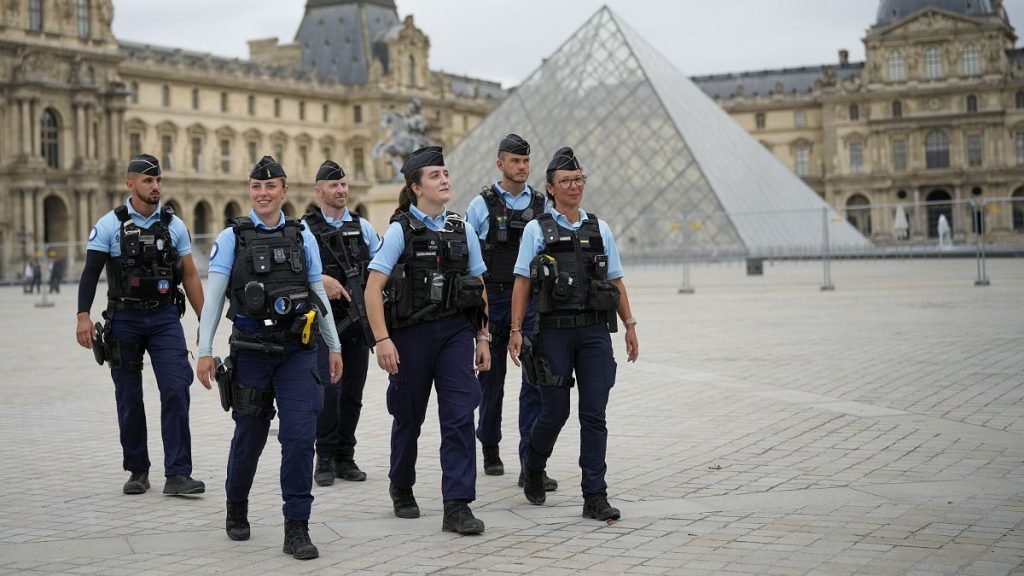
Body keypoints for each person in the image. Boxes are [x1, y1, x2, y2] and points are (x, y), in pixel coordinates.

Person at [195, 156, 343, 561]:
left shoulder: (301, 236)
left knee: (299, 436)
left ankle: (296, 527)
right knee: (250, 437)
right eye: (256, 187)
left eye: (271, 187)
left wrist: (335, 346)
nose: (263, 194)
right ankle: (236, 506)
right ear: (250, 190)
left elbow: (315, 293)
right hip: (251, 353)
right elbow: (214, 299)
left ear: (284, 191)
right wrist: (205, 350)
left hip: (297, 352)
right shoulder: (233, 239)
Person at [364, 145, 491, 535]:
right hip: (410, 336)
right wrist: (383, 340)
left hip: (455, 332)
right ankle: (401, 485)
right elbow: (372, 290)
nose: (445, 180)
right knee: (409, 416)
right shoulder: (400, 230)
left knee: (458, 417)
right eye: (435, 176)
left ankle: (457, 505)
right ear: (416, 187)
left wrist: (483, 337)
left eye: (445, 173)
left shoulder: (463, 228)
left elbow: (479, 285)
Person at [507, 147, 639, 521]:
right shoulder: (536, 230)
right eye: (566, 181)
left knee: (594, 414)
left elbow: (615, 280)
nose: (574, 186)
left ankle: (595, 495)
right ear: (550, 189)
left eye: (579, 179)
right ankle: (533, 466)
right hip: (553, 334)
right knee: (554, 413)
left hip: (595, 333)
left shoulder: (600, 228)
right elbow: (521, 283)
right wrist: (516, 330)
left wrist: (630, 326)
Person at [74, 153, 206, 497]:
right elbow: (91, 273)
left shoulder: (174, 225)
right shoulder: (109, 225)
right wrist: (83, 315)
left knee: (176, 388)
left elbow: (190, 274)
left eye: (158, 181)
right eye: (148, 181)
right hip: (124, 320)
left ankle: (178, 474)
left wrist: (204, 322)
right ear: (130, 184)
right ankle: (137, 470)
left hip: (164, 318)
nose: (155, 187)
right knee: (128, 396)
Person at [464, 134, 557, 492]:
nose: (521, 167)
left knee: (534, 382)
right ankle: (489, 443)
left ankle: (529, 462)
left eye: (525, 161)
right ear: (500, 164)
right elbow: (469, 258)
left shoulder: (541, 205)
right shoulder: (479, 205)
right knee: (492, 383)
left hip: (531, 303)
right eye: (514, 161)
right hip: (494, 299)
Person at [302, 160, 380, 486]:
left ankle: (345, 456)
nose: (341, 190)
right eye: (334, 186)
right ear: (319, 191)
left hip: (357, 322)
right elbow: (295, 272)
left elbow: (380, 268)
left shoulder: (362, 227)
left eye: (344, 185)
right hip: (322, 323)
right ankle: (325, 456)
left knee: (353, 393)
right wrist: (321, 279)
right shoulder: (305, 229)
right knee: (329, 391)